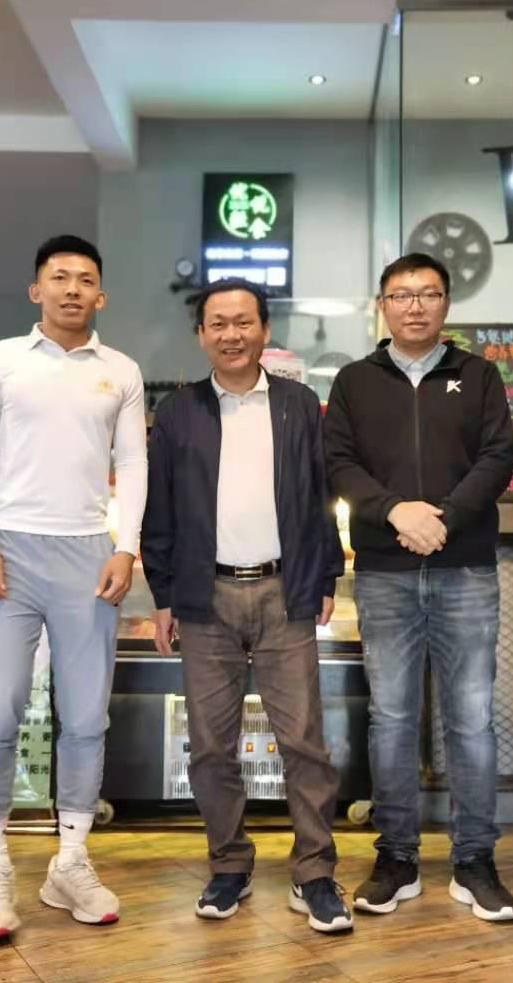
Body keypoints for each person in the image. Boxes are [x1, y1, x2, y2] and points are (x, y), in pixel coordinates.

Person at [141, 279, 352, 935]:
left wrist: (326, 575)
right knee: (211, 747)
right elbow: (159, 510)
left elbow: (320, 498)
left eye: (243, 322)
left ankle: (314, 871)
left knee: (305, 743)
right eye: (218, 323)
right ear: (201, 334)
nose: (231, 335)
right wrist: (164, 596)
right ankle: (229, 863)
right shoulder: (178, 413)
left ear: (264, 330)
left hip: (285, 593)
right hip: (204, 598)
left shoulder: (297, 404)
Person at [0, 234, 147, 942]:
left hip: (88, 556)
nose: (72, 289)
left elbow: (134, 463)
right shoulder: (1, 359)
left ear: (102, 295)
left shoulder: (121, 370)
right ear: (36, 290)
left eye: (85, 279)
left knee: (87, 719)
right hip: (8, 551)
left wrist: (125, 546)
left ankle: (69, 863)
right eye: (59, 277)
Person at [324, 253, 513, 924]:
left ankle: (475, 859)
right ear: (382, 304)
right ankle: (397, 857)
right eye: (402, 295)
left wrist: (444, 518)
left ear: (446, 304)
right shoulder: (355, 380)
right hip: (384, 569)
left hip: (465, 567)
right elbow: (338, 461)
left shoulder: (479, 374)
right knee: (392, 718)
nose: (415, 305)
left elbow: (498, 457)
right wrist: (394, 513)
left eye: (428, 294)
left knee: (472, 718)